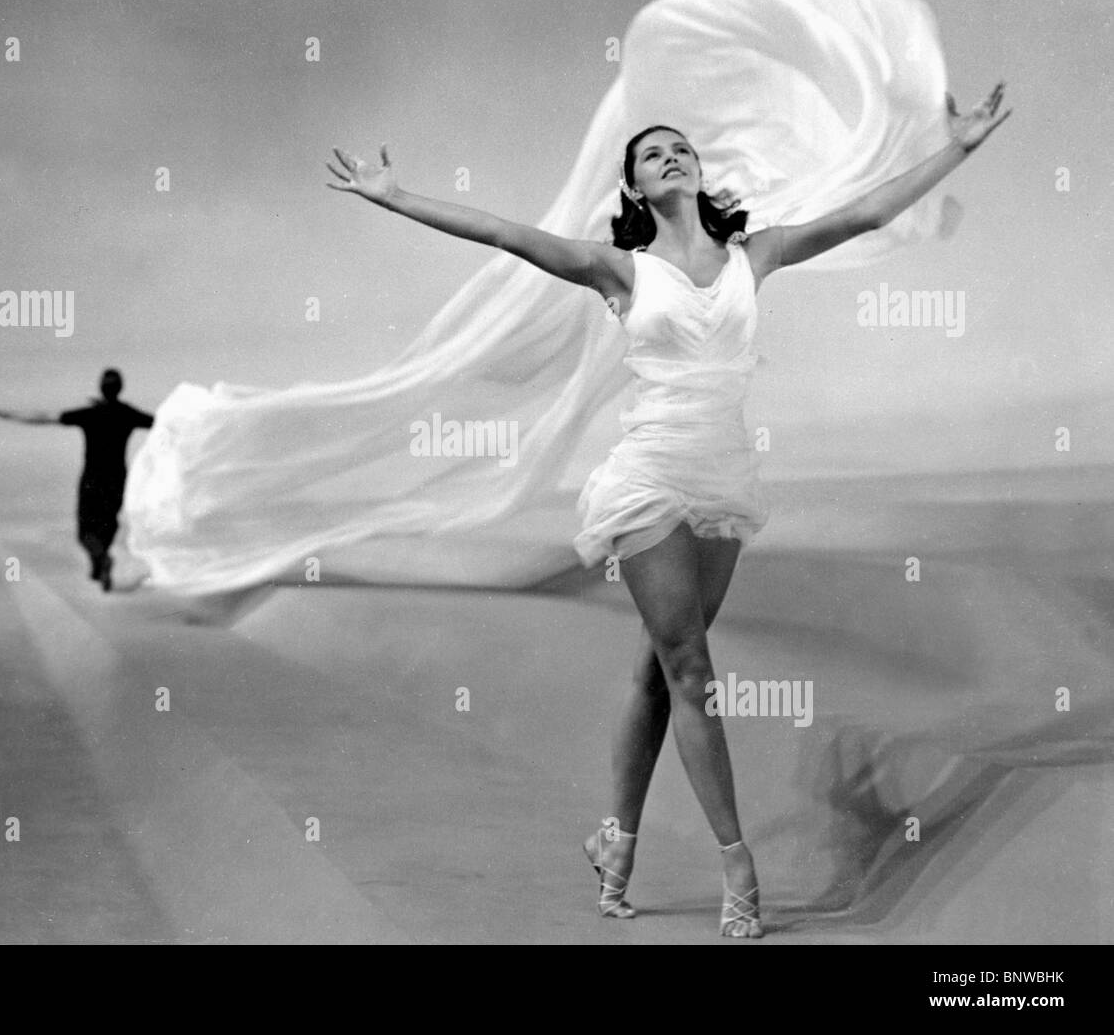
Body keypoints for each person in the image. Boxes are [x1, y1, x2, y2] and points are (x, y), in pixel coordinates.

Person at [325, 83, 1010, 936]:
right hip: (648, 475)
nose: (672, 156)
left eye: (680, 147)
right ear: (636, 191)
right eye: (653, 154)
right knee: (691, 670)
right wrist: (395, 199)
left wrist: (961, 148)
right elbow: (506, 234)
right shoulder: (620, 269)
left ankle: (615, 842)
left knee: (660, 670)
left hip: (722, 481)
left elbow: (866, 214)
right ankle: (737, 865)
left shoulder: (756, 255)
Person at [0, 369, 154, 591]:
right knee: (108, 523)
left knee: (85, 530)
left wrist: (10, 415)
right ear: (120, 388)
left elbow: (46, 417)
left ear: (101, 388)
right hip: (117, 478)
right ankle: (100, 560)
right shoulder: (128, 414)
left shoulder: (90, 414)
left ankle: (100, 559)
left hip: (93, 478)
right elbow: (163, 422)